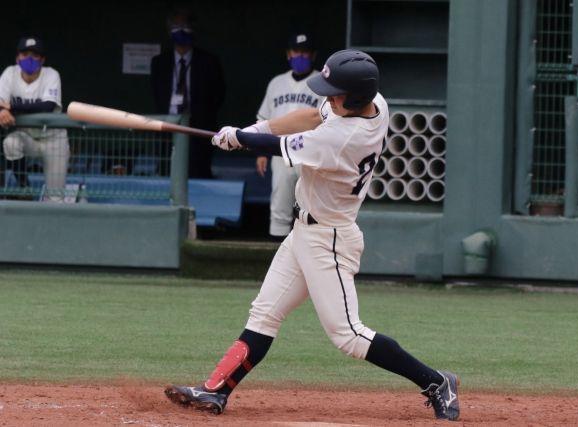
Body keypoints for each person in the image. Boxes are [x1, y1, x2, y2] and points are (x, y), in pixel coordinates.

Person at [165, 50, 460, 421]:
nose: (329, 98)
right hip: (304, 232)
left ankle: (436, 381)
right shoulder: (374, 104)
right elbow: (310, 115)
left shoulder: (343, 138)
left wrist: (240, 138)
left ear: (355, 97)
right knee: (264, 314)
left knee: (348, 335)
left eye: (336, 93)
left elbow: (284, 146)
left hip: (329, 240)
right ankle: (216, 390)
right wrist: (257, 129)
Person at [255, 32, 321, 240]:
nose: (300, 56)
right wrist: (261, 152)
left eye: (304, 52)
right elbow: (263, 119)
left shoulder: (322, 83)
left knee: (310, 210)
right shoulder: (276, 83)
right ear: (288, 54)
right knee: (280, 206)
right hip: (279, 151)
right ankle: (278, 253)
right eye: (296, 51)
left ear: (313, 55)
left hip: (309, 153)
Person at [151, 7, 225, 178]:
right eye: (176, 27)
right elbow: (157, 94)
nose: (181, 31)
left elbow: (218, 95)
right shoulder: (159, 63)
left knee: (198, 175)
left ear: (193, 29)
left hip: (198, 130)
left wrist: (201, 115)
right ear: (169, 31)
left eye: (185, 26)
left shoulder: (209, 62)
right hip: (167, 129)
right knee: (166, 173)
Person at [0, 37, 69, 203]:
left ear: (42, 59)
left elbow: (47, 106)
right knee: (11, 144)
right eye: (25, 54)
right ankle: (25, 186)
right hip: (27, 137)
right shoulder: (10, 73)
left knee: (55, 198)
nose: (29, 59)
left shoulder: (51, 74)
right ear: (17, 58)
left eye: (35, 55)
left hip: (54, 140)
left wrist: (10, 107)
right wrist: (2, 110)